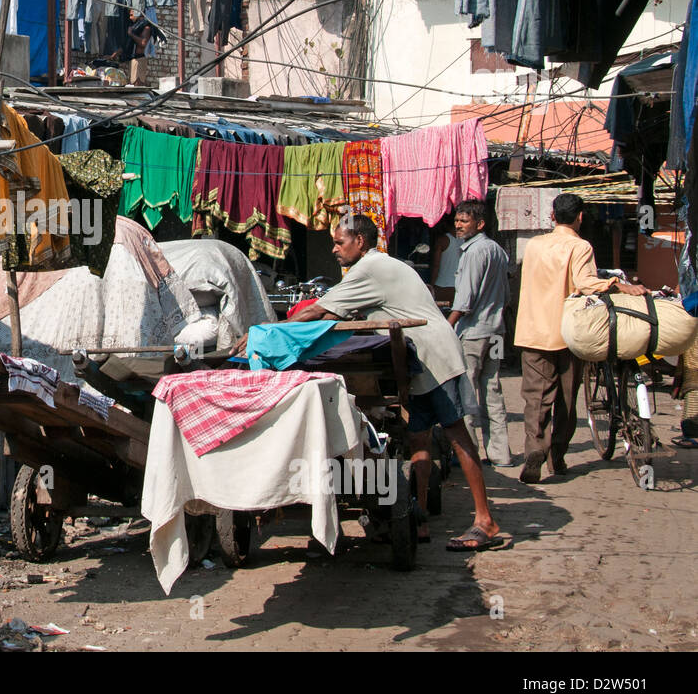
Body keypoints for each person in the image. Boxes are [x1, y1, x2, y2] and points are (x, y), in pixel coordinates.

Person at [254, 215, 503, 551]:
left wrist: (266, 334)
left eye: (340, 242)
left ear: (360, 240)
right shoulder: (375, 268)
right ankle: (421, 518)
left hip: (437, 357)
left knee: (457, 434)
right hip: (420, 363)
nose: (335, 249)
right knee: (418, 439)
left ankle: (485, 521)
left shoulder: (371, 268)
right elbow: (331, 314)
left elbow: (318, 312)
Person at [512, 193, 647, 483]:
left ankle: (534, 450)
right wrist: (617, 284)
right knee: (566, 398)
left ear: (552, 216)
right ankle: (556, 455)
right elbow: (586, 284)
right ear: (580, 217)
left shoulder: (534, 245)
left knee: (536, 398)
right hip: (566, 333)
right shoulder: (579, 246)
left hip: (532, 331)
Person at [447, 199, 513, 467]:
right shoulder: (497, 250)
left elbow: (465, 300)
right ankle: (500, 454)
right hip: (496, 330)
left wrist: (447, 324)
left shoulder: (474, 252)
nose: (458, 225)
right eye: (457, 221)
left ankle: (470, 453)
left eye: (464, 221)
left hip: (475, 333)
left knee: (468, 392)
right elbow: (506, 296)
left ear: (480, 223)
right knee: (492, 388)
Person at [111, 8, 154, 87]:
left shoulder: (146, 27)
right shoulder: (135, 27)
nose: (130, 18)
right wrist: (114, 55)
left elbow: (143, 43)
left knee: (137, 84)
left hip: (139, 60)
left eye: (131, 15)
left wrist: (131, 34)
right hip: (133, 59)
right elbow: (127, 45)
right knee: (132, 83)